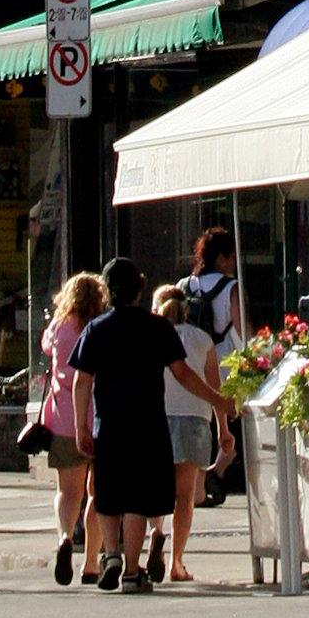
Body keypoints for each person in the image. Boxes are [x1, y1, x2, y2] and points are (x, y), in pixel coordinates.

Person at [71, 252, 225, 592]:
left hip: (107, 425)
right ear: (139, 290)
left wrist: (81, 427)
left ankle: (110, 554)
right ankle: (130, 569)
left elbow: (82, 382)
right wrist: (218, 400)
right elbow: (184, 374)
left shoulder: (96, 329)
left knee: (109, 495)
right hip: (147, 425)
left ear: (108, 292)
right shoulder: (157, 328)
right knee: (138, 499)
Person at [39, 268, 107, 587]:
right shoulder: (100, 329)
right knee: (97, 492)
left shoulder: (58, 328)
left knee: (68, 492)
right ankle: (91, 562)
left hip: (63, 418)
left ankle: (66, 536)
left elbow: (46, 349)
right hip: (99, 416)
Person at [154, 281, 226, 581]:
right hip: (196, 419)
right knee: (185, 497)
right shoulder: (202, 340)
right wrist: (224, 429)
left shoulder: (151, 338)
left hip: (157, 418)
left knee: (154, 491)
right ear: (187, 310)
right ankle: (177, 562)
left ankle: (155, 538)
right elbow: (214, 387)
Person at [183, 223, 243, 503]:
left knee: (198, 421)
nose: (234, 263)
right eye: (231, 257)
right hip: (222, 361)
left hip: (187, 362)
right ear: (221, 258)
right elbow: (242, 331)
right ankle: (215, 471)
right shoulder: (231, 287)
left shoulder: (183, 286)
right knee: (230, 422)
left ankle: (196, 483)